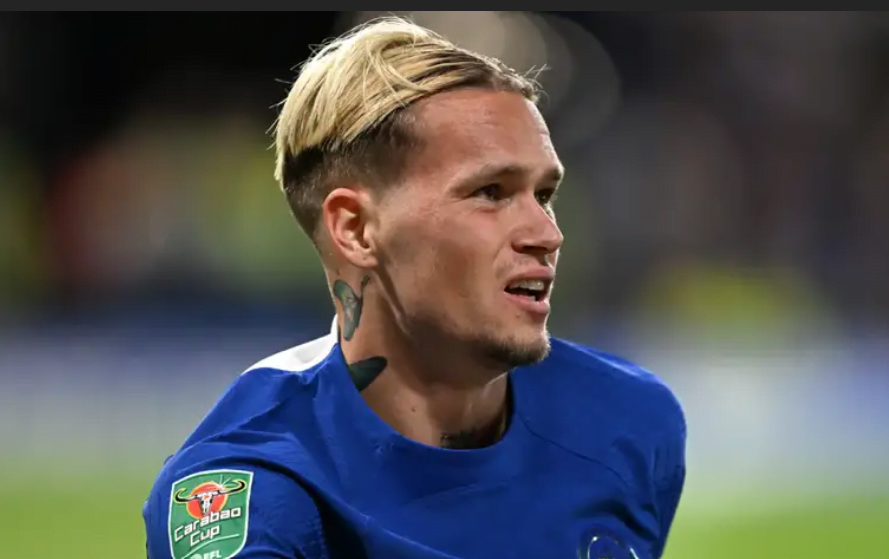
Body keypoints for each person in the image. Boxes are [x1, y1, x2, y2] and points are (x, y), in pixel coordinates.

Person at [143, 16, 686, 559]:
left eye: (543, 195)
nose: (547, 234)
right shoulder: (251, 491)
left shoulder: (629, 423)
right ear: (356, 229)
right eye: (491, 192)